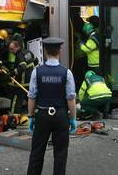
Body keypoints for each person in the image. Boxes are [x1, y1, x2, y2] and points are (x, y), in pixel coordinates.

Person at [27, 37, 77, 175]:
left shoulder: (37, 72)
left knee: (37, 152)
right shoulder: (66, 72)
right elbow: (71, 98)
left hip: (42, 115)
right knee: (60, 155)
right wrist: (72, 118)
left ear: (45, 50)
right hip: (61, 116)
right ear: (60, 51)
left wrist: (31, 116)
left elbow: (32, 96)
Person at [8, 36, 39, 114]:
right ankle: (33, 114)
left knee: (16, 99)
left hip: (22, 83)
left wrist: (12, 73)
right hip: (30, 81)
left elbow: (22, 66)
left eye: (12, 49)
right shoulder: (28, 52)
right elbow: (36, 61)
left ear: (17, 47)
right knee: (31, 98)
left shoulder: (19, 55)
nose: (11, 51)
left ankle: (14, 116)